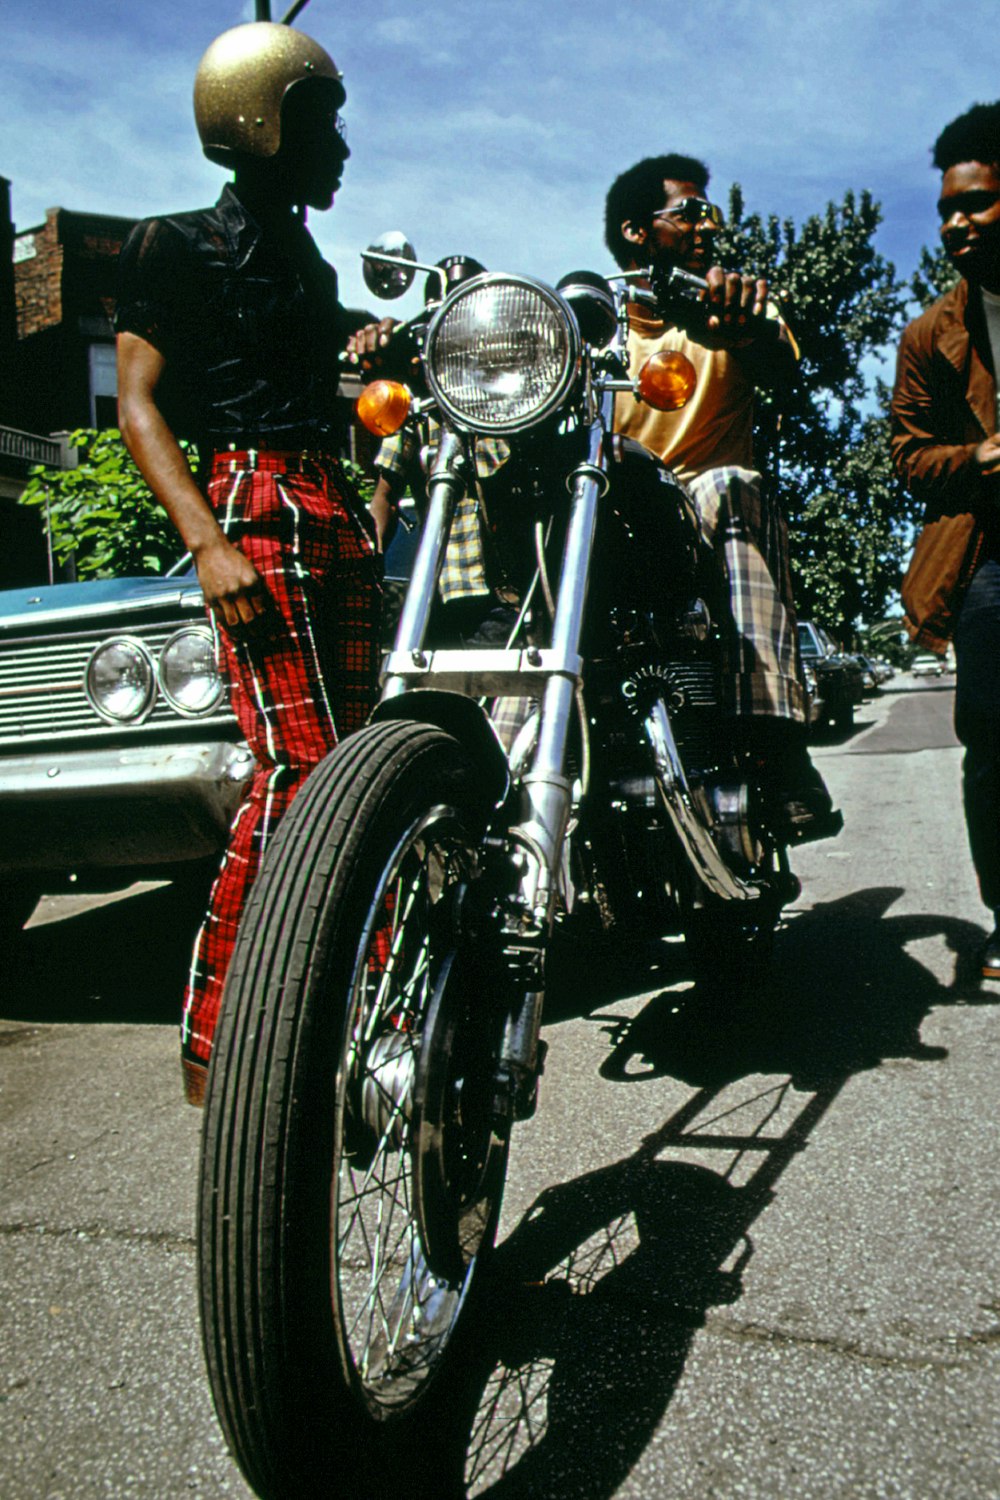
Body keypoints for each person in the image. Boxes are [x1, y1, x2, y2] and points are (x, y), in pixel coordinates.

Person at [115, 21, 382, 1103]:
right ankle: (219, 1043)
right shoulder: (172, 244)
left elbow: (320, 389)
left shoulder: (309, 264)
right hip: (252, 501)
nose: (343, 147)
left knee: (357, 769)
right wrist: (208, 539)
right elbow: (137, 405)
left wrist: (359, 351)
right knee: (296, 773)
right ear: (261, 122)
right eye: (324, 122)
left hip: (330, 503)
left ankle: (347, 1002)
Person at [605, 154, 835, 838]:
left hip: (705, 509)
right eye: (691, 213)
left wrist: (743, 328)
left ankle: (776, 746)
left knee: (730, 484)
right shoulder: (596, 327)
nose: (709, 227)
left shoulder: (736, 303)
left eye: (713, 215)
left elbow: (784, 371)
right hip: (620, 513)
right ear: (636, 232)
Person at [891, 101, 1000, 980]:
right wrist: (977, 456)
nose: (958, 223)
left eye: (978, 203)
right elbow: (907, 454)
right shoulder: (931, 334)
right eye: (948, 210)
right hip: (989, 552)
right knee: (995, 738)